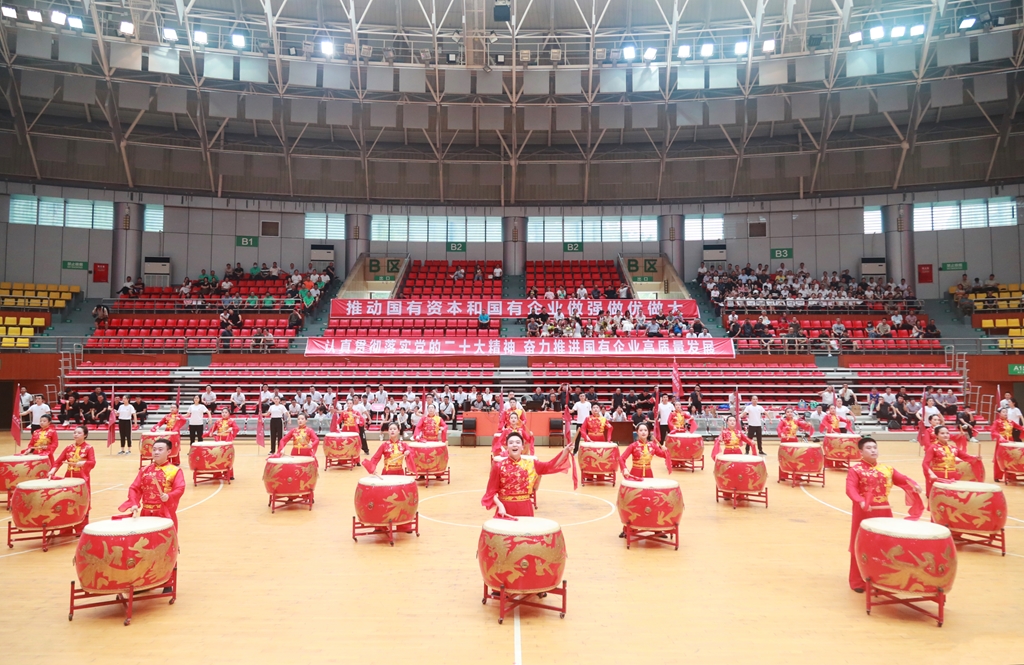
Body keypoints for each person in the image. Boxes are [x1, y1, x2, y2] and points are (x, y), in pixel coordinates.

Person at [845, 437, 923, 592]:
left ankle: (882, 578)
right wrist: (860, 500)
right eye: (869, 448)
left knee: (885, 544)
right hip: (864, 511)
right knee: (860, 542)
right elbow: (850, 489)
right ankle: (857, 581)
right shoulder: (856, 470)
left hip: (884, 510)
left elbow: (902, 479)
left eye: (875, 447)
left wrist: (914, 485)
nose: (873, 450)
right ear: (860, 452)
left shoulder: (887, 469)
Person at [481, 432, 572, 517]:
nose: (514, 445)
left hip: (525, 507)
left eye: (518, 442)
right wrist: (500, 505)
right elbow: (490, 492)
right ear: (507, 447)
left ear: (522, 447)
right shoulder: (499, 466)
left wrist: (565, 452)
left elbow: (550, 465)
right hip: (505, 508)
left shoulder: (531, 464)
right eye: (511, 443)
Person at [119, 438, 186, 536]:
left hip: (164, 512)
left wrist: (169, 496)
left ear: (168, 452)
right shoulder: (145, 470)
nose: (156, 452)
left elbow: (180, 488)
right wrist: (134, 503)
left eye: (160, 449)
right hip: (146, 513)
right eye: (154, 449)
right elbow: (135, 488)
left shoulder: (174, 471)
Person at [989, 408, 1024, 482]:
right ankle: (997, 476)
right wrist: (999, 436)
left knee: (1011, 458)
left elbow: (1020, 427)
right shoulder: (997, 422)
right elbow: (993, 431)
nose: (1005, 413)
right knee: (1000, 458)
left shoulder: (1011, 421)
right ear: (999, 413)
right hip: (1002, 442)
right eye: (1003, 412)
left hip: (1010, 442)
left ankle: (1011, 476)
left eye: (1006, 412)